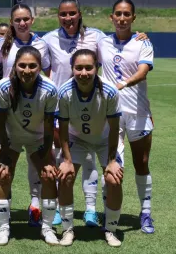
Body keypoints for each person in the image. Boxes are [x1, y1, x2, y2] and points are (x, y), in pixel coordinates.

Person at [42, 0, 147, 226]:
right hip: (63, 107)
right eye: (63, 14)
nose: (68, 18)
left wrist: (138, 37)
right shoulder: (47, 39)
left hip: (93, 106)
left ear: (79, 14)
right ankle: (61, 209)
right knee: (64, 158)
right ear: (58, 16)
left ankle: (90, 210)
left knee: (90, 159)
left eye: (72, 13)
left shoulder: (97, 37)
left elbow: (116, 47)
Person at [0, 3, 50, 227]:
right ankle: (5, 212)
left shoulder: (42, 44)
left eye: (26, 19)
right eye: (17, 19)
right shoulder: (2, 43)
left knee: (35, 163)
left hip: (34, 113)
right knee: (4, 165)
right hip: (7, 112)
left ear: (32, 20)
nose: (22, 23)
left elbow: (45, 76)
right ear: (12, 21)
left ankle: (35, 206)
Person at [98, 0, 155, 234]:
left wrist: (121, 85)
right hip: (111, 116)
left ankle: (146, 213)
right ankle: (107, 214)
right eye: (118, 14)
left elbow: (143, 72)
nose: (122, 18)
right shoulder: (101, 43)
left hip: (139, 114)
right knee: (110, 166)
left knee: (141, 164)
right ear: (111, 17)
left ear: (133, 18)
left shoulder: (144, 42)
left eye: (126, 14)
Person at [57, 49, 123, 247]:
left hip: (104, 140)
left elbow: (114, 129)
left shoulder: (110, 91)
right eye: (78, 68)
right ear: (72, 69)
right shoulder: (65, 92)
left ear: (97, 68)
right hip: (77, 138)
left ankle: (110, 230)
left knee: (113, 179)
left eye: (88, 68)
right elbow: (63, 129)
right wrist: (67, 161)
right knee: (66, 177)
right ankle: (68, 229)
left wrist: (111, 161)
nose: (83, 73)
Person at [0, 46, 59, 245]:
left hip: (37, 137)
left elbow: (49, 128)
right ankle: (4, 227)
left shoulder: (49, 89)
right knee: (4, 174)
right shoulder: (4, 87)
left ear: (40, 67)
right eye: (22, 65)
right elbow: (0, 122)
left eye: (33, 66)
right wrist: (4, 153)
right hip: (10, 135)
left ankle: (47, 228)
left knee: (48, 176)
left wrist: (47, 157)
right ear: (15, 66)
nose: (27, 70)